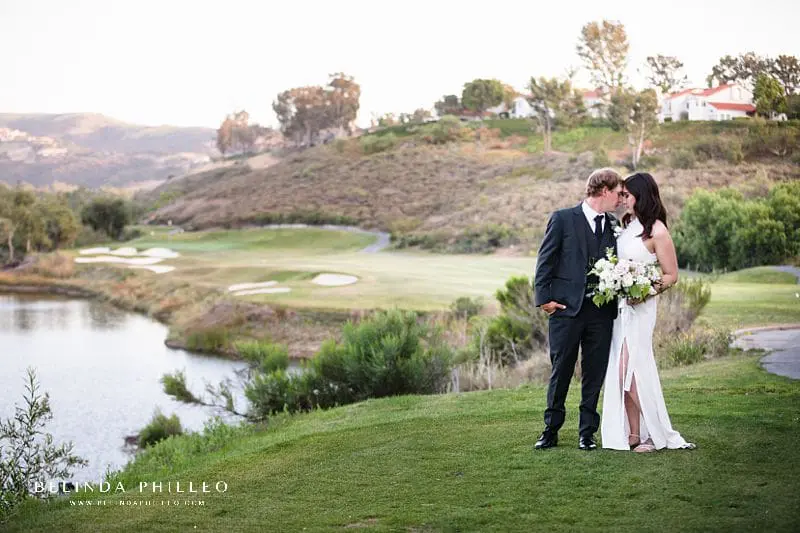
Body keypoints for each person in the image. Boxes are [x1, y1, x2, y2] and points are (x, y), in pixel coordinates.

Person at [600, 172, 695, 452]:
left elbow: (671, 275)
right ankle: (633, 434)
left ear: (642, 195)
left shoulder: (658, 231)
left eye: (627, 195)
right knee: (626, 372)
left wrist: (642, 292)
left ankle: (657, 433)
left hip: (641, 309)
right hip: (620, 309)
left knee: (627, 370)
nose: (623, 199)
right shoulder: (628, 224)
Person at [533, 168, 623, 451]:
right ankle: (551, 430)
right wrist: (543, 299)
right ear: (604, 190)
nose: (620, 199)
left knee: (594, 373)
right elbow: (545, 261)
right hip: (565, 310)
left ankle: (587, 433)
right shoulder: (562, 219)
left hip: (601, 313)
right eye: (618, 193)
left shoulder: (613, 225)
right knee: (561, 371)